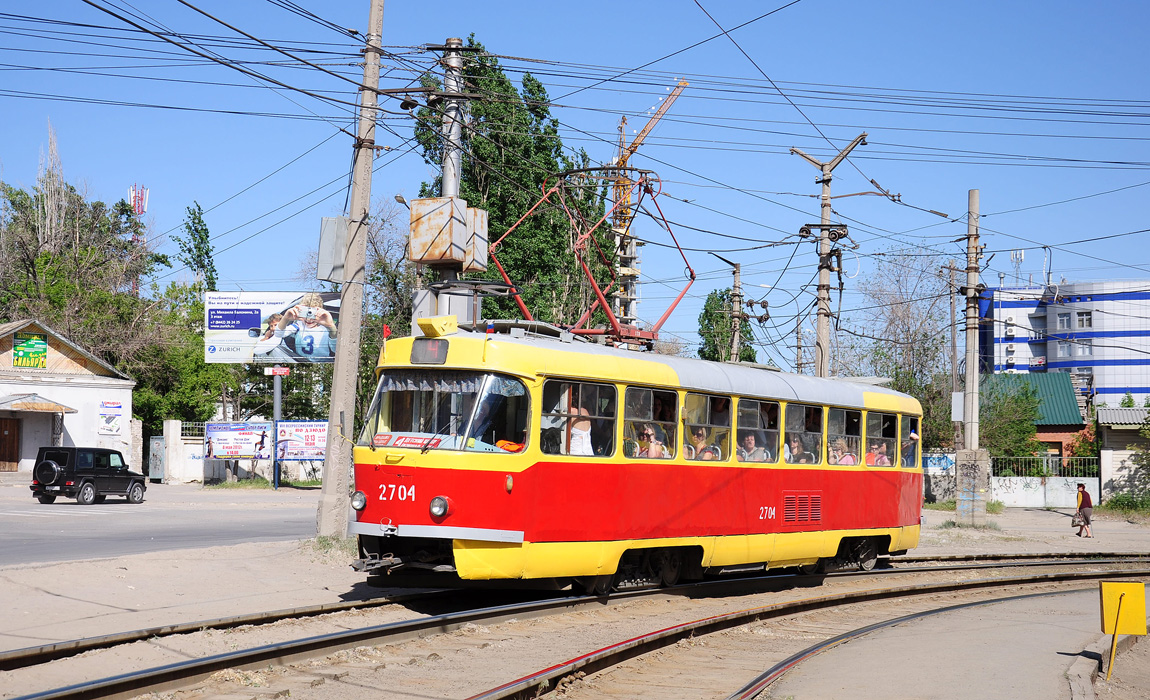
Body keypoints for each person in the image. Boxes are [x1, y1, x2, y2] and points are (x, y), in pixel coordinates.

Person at [276, 292, 337, 362]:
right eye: (305, 313)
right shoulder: (299, 325)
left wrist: (331, 326)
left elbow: (336, 349)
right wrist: (285, 318)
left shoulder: (326, 330)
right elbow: (279, 334)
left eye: (312, 314)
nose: (309, 319)